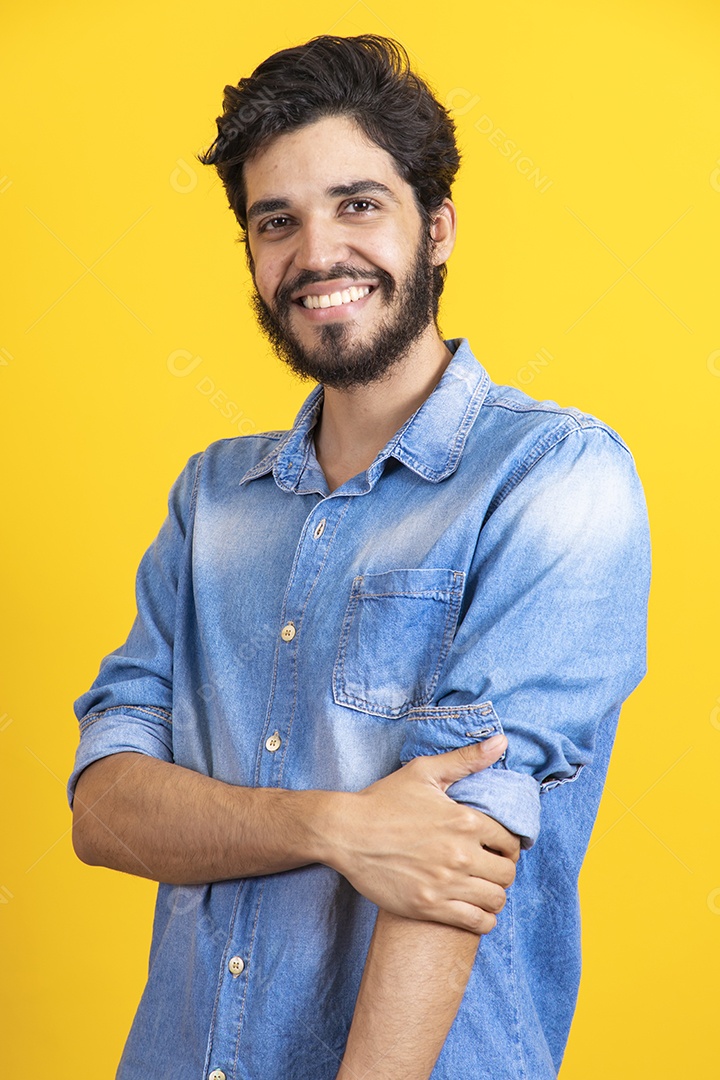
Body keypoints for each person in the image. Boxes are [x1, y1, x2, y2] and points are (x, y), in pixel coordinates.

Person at [68, 34, 650, 1080]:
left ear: (437, 228)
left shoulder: (557, 477)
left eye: (358, 205)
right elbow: (105, 808)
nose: (317, 254)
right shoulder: (212, 500)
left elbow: (456, 854)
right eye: (275, 221)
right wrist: (340, 828)